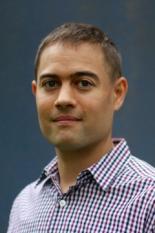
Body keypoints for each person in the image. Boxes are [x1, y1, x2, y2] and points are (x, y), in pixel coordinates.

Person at [7, 22, 155, 233]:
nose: (64, 99)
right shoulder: (24, 205)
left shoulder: (149, 201)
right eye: (50, 84)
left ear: (118, 93)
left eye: (83, 83)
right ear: (35, 92)